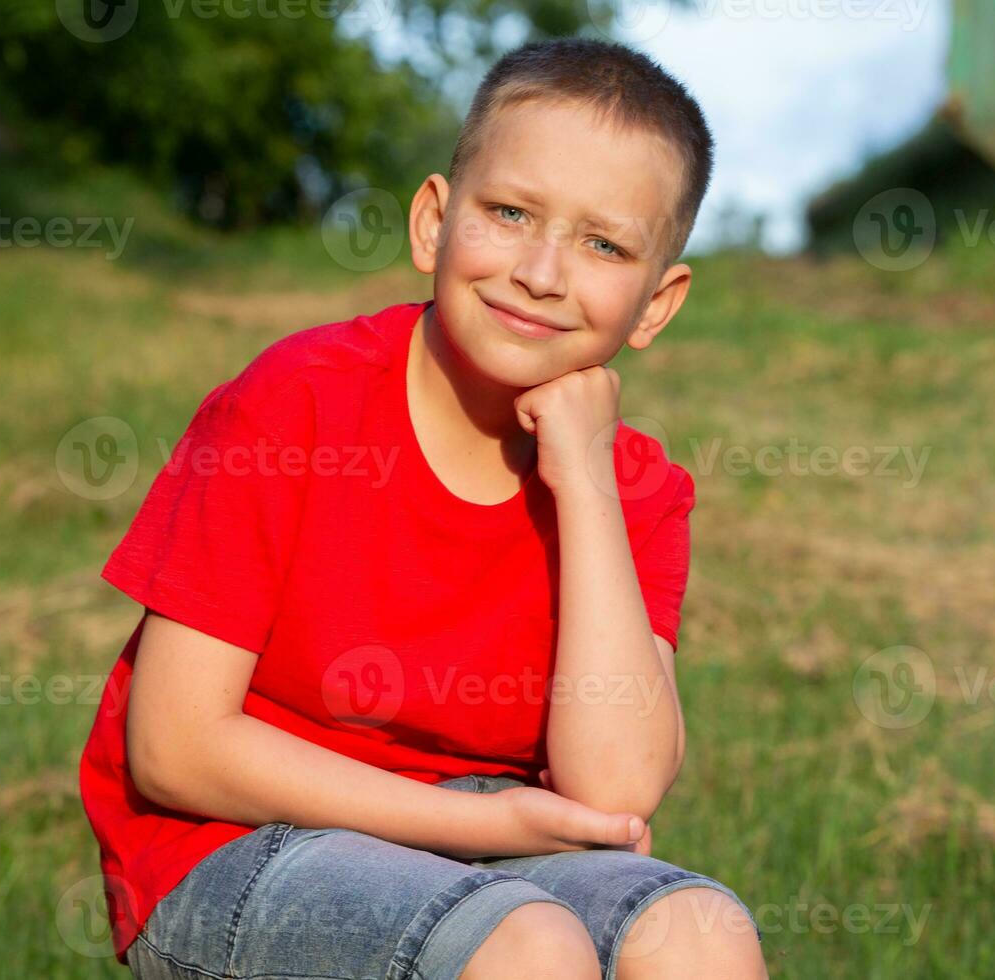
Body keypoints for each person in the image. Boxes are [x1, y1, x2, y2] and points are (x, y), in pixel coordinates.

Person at [79, 36, 766, 980]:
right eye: (511, 212)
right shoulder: (295, 403)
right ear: (433, 221)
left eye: (604, 244)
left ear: (657, 304)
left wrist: (586, 481)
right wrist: (480, 824)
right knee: (530, 946)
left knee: (700, 934)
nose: (542, 272)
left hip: (487, 851)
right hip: (229, 844)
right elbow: (173, 745)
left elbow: (613, 788)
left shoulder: (634, 489)